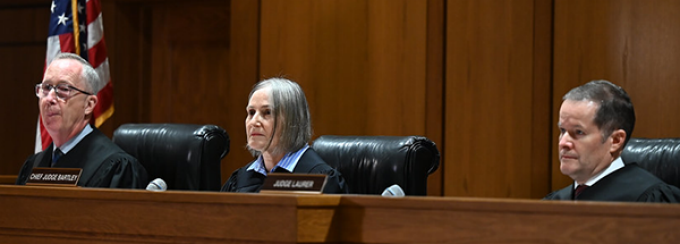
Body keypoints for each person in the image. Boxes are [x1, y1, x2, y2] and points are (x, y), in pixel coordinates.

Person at [15, 53, 148, 188]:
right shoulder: (33, 165)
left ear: (89, 105)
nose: (49, 98)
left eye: (63, 89)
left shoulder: (116, 167)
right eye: (46, 88)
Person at [544, 80, 680, 202]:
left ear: (615, 140)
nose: (563, 143)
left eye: (579, 132)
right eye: (562, 130)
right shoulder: (553, 203)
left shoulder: (650, 200)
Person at [221, 77, 348, 193]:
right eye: (251, 112)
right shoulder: (240, 180)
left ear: (292, 121)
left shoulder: (319, 179)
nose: (254, 122)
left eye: (267, 112)